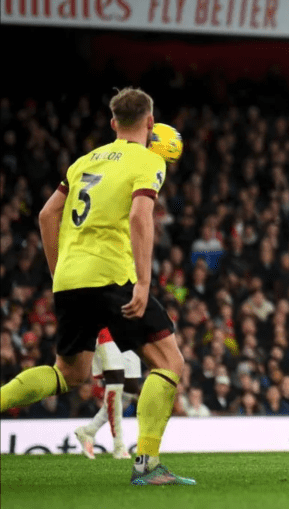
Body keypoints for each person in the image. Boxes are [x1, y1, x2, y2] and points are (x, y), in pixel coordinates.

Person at [0, 87, 195, 486]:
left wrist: (59, 273)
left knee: (69, 373)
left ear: (112, 124)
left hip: (71, 279)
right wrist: (143, 281)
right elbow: (142, 217)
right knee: (170, 363)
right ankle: (147, 465)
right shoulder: (147, 159)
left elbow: (46, 214)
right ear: (150, 123)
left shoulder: (82, 162)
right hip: (112, 277)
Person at [74, 328, 142, 460]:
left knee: (131, 388)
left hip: (129, 331)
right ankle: (119, 445)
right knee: (115, 384)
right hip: (107, 330)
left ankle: (88, 431)